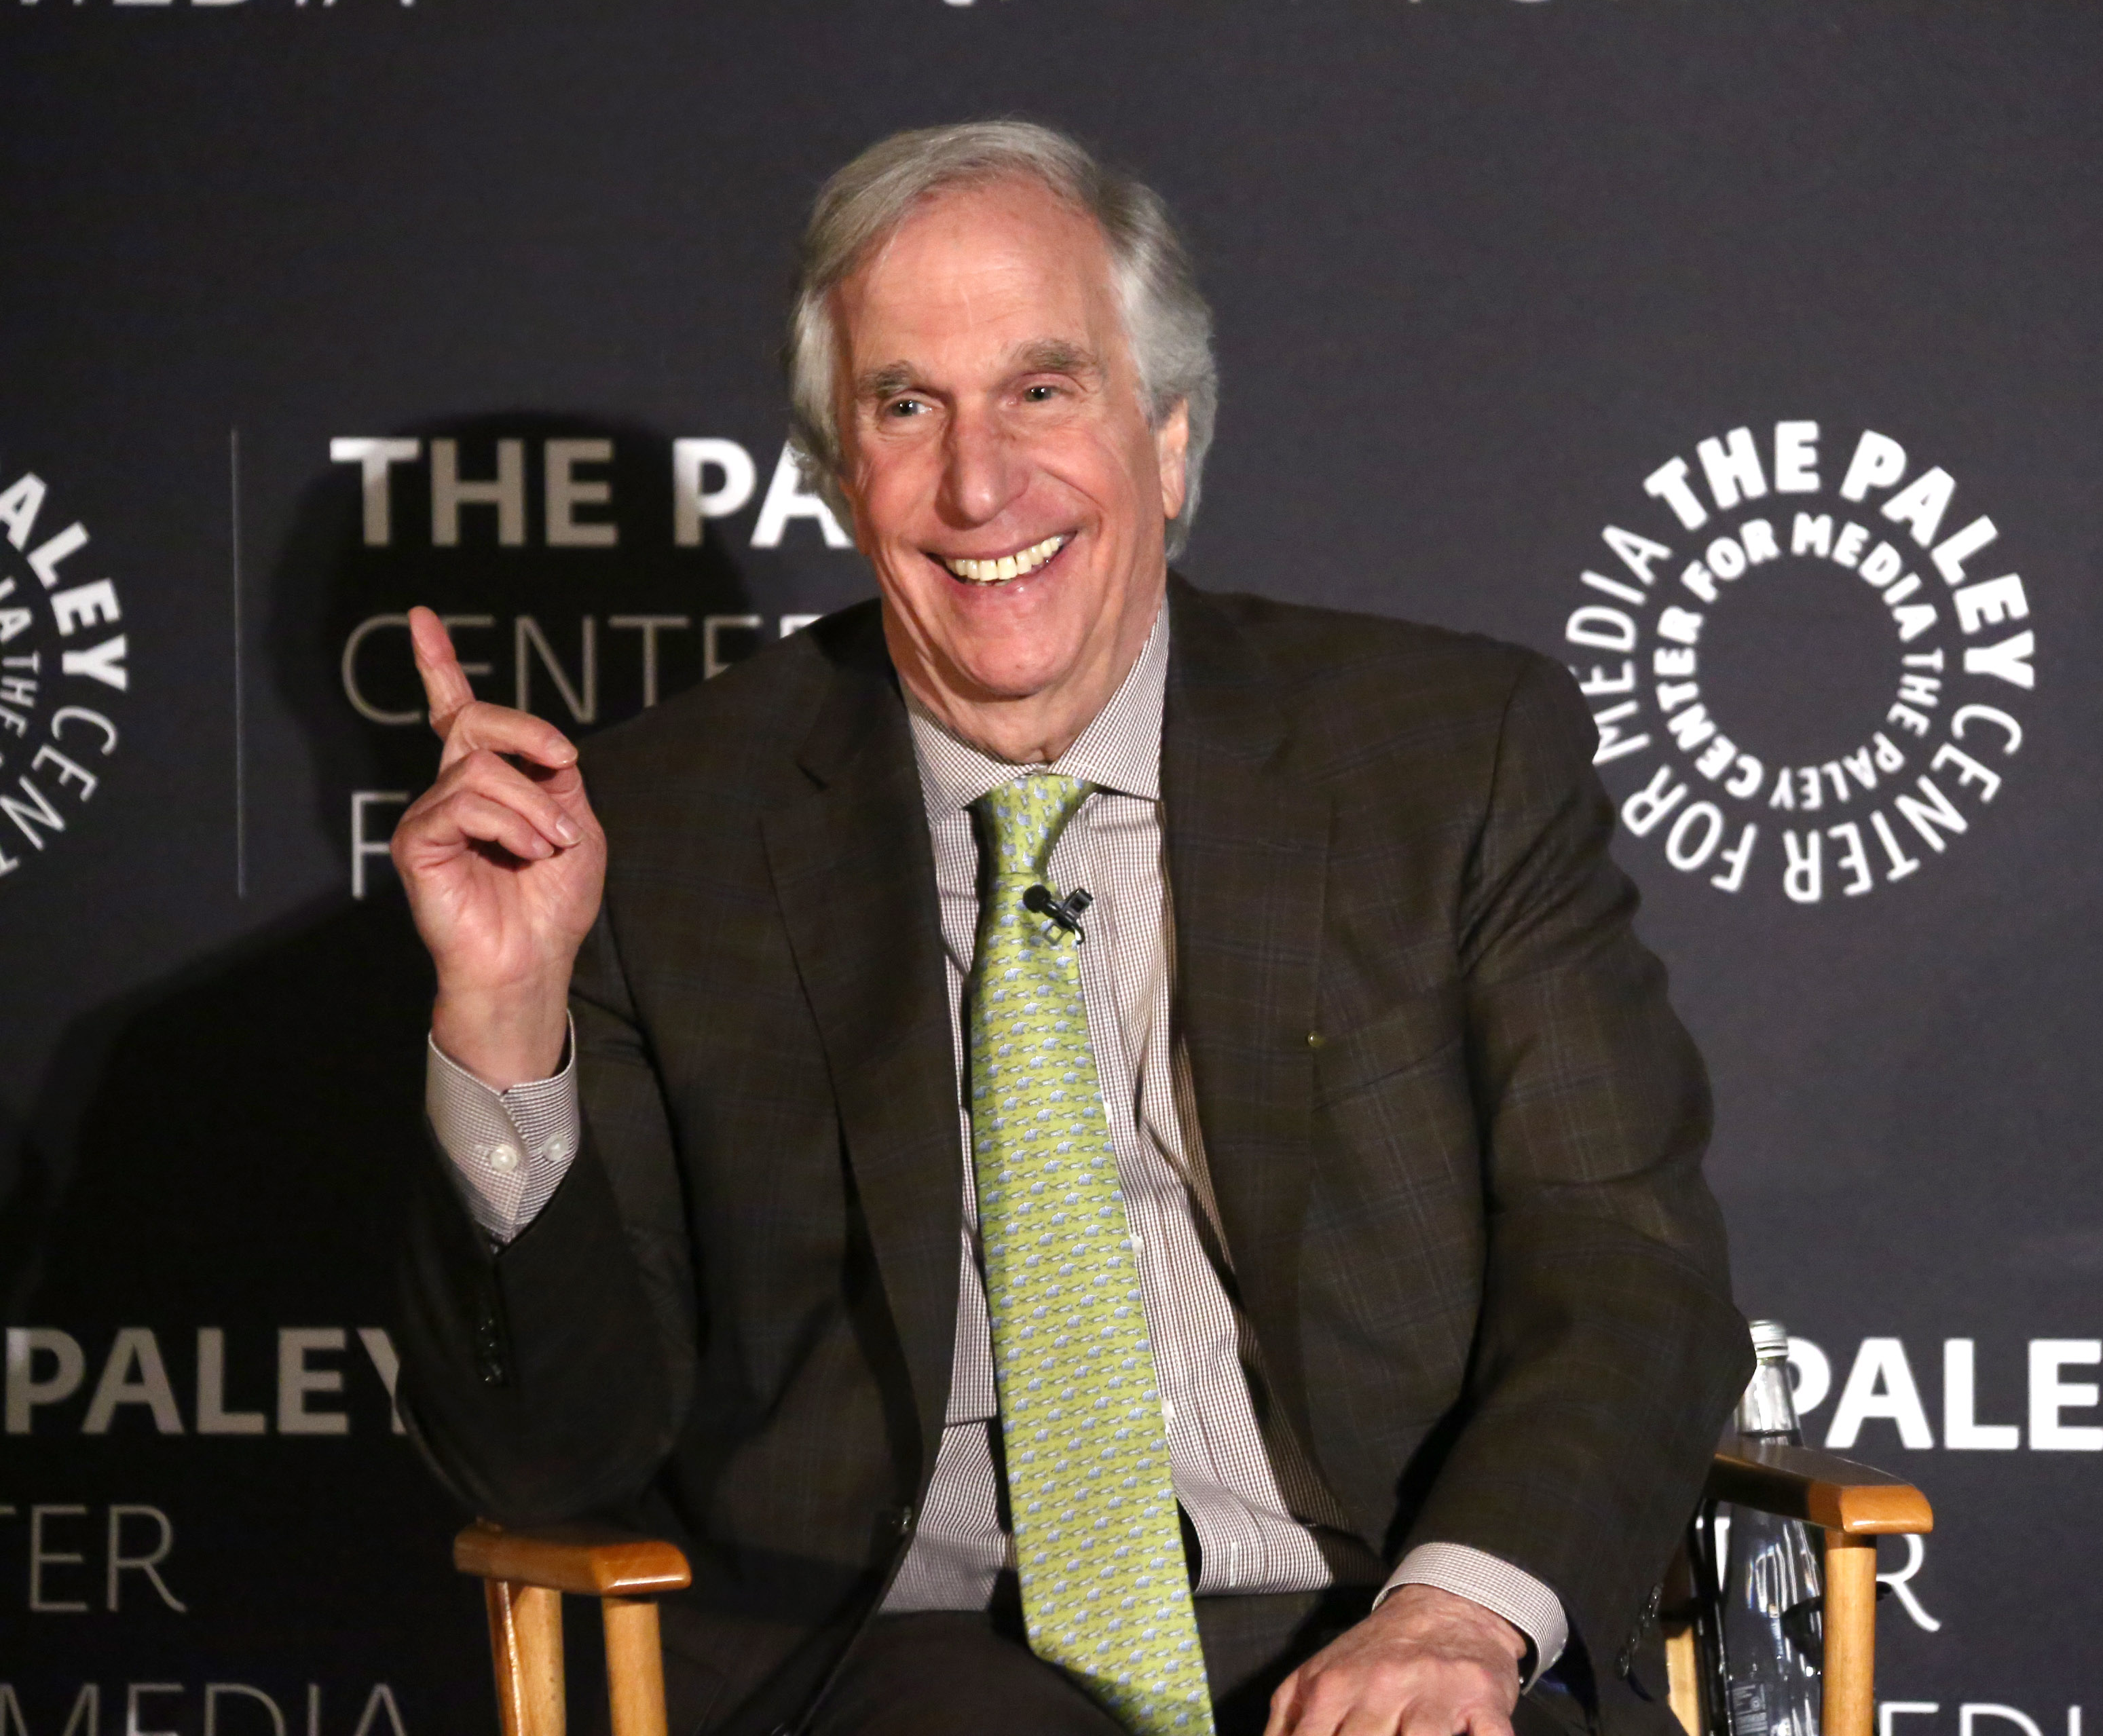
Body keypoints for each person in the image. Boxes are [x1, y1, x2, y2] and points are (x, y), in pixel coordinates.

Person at [389, 120, 1746, 1736]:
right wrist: (506, 1017)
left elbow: (1625, 1266)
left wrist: (1459, 1613)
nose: (979, 483)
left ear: (1170, 441)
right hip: (899, 1661)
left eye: (1044, 389)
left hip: (1384, 1607)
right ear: (837, 475)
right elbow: (548, 1455)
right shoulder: (664, 827)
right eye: (908, 407)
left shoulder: (1451, 754)